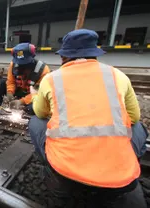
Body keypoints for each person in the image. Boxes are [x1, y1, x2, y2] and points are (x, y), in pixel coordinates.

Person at [29, 29, 148, 207]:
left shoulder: (51, 79)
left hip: (66, 173)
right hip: (120, 181)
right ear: (95, 54)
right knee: (138, 126)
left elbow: (40, 113)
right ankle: (123, 165)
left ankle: (54, 176)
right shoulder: (118, 76)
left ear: (63, 57)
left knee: (36, 122)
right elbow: (134, 116)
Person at [5, 43, 50, 113]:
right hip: (19, 92)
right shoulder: (13, 65)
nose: (21, 67)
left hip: (33, 96)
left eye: (24, 64)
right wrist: (10, 93)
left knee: (34, 107)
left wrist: (21, 101)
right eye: (19, 64)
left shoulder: (43, 70)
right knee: (1, 84)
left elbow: (38, 93)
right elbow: (11, 82)